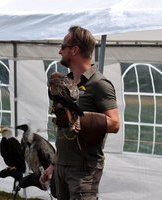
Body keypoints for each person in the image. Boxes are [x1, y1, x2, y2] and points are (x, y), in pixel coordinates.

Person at [40, 25, 120, 200]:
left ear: (74, 50)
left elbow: (114, 124)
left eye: (63, 47)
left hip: (83, 170)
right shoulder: (65, 83)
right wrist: (53, 164)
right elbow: (63, 129)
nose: (60, 51)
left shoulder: (99, 84)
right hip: (61, 167)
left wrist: (80, 118)